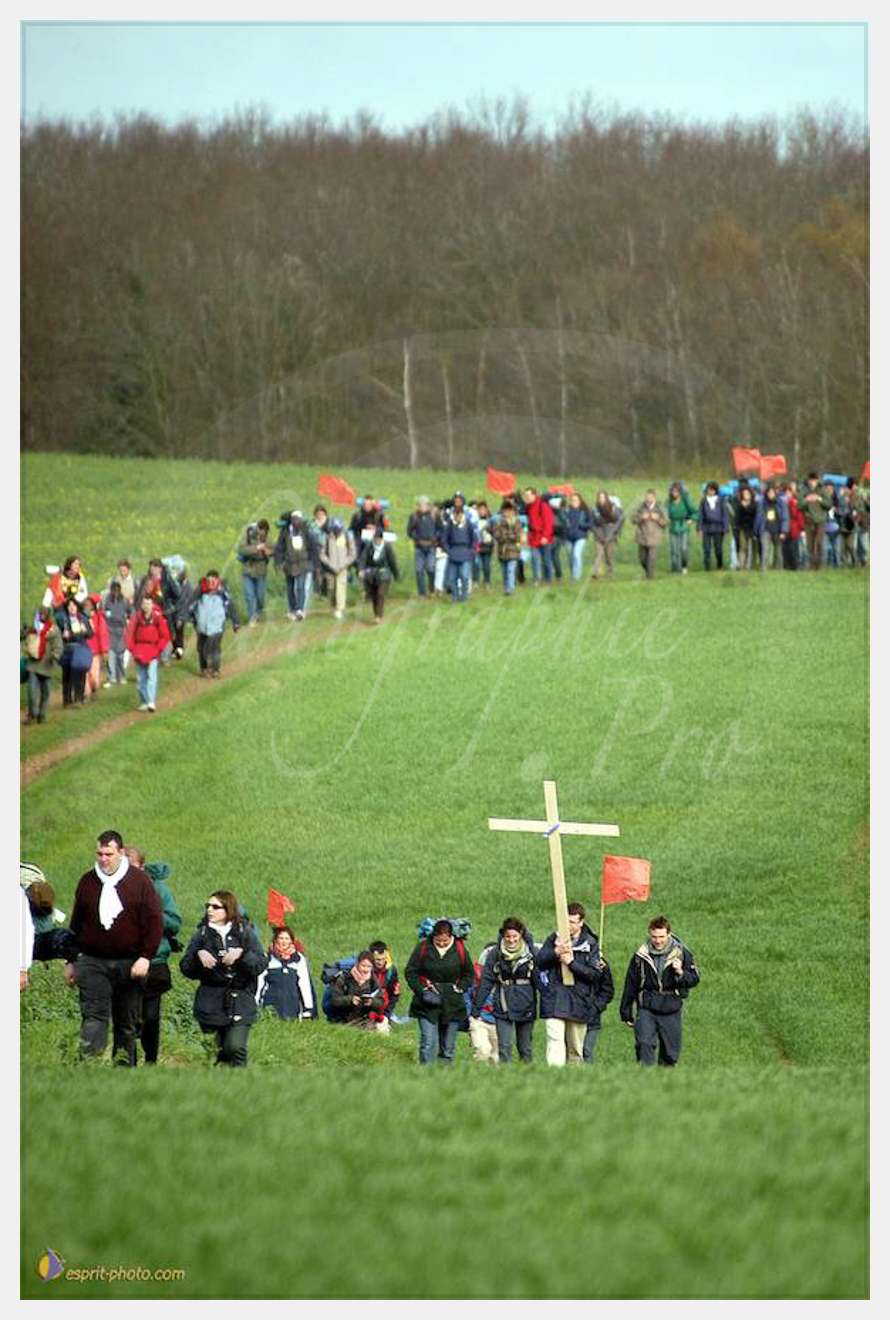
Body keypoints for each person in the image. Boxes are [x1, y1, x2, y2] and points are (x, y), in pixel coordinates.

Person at [63, 830, 163, 1065]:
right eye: (99, 853)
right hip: (92, 960)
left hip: (129, 962)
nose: (103, 859)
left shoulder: (140, 882)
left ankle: (123, 1070)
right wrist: (70, 960)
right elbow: (76, 923)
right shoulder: (88, 881)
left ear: (120, 852)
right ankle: (89, 1066)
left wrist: (145, 957)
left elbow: (154, 921)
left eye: (108, 854)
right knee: (94, 1017)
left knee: (126, 1023)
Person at [180, 890, 268, 1066]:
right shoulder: (201, 934)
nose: (209, 910)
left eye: (215, 907)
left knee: (235, 1047)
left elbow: (260, 964)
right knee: (217, 1052)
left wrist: (242, 955)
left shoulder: (245, 933)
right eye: (208, 906)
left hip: (241, 1000)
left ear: (228, 909)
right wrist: (199, 956)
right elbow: (186, 969)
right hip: (210, 1002)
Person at [117, 848, 182, 1065]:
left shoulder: (158, 890)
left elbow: (175, 923)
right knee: (128, 1019)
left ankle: (152, 1061)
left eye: (131, 865)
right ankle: (129, 1063)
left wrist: (152, 914)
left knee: (151, 1018)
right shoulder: (111, 889)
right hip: (123, 961)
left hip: (154, 963)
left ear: (142, 867)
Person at [535, 903, 613, 1066]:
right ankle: (553, 1079)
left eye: (572, 922)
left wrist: (571, 963)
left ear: (581, 922)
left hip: (579, 1001)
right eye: (565, 921)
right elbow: (539, 962)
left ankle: (573, 1083)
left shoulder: (590, 944)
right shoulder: (554, 938)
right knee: (554, 1042)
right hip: (555, 1000)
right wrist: (555, 952)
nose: (567, 925)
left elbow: (594, 975)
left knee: (575, 1050)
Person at [619, 914, 700, 1067]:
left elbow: (694, 979)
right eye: (654, 936)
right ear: (650, 934)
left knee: (670, 1053)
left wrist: (680, 972)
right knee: (644, 1044)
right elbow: (631, 983)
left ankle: (664, 1083)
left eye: (662, 936)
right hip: (647, 1006)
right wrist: (626, 1012)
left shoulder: (682, 953)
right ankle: (646, 1080)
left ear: (668, 934)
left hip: (671, 1006)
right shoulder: (640, 955)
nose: (658, 941)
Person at [405, 919, 475, 1064]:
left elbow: (469, 974)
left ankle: (443, 1080)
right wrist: (421, 990)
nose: (442, 943)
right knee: (428, 1043)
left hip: (453, 1004)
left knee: (448, 1048)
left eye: (445, 940)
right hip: (426, 1003)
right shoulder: (423, 947)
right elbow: (410, 972)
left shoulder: (460, 948)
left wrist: (460, 988)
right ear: (433, 936)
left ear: (451, 936)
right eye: (438, 941)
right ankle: (426, 1077)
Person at [472, 917, 538, 1064]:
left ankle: (529, 1078)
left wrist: (548, 1005)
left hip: (526, 1003)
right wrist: (476, 1009)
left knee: (525, 1048)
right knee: (504, 1047)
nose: (511, 940)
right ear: (503, 936)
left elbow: (539, 980)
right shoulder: (495, 954)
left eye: (514, 936)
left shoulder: (532, 952)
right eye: (508, 936)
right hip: (503, 1004)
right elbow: (486, 982)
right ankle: (505, 1078)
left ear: (520, 935)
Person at [257, 926, 318, 1019]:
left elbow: (304, 983)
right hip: (270, 1005)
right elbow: (260, 982)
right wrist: (255, 1004)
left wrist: (309, 1008)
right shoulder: (267, 958)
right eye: (281, 938)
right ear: (275, 940)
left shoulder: (299, 959)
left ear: (291, 941)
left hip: (292, 1007)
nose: (284, 941)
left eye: (287, 938)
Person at [124, 594, 171, 712]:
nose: (146, 606)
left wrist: (158, 649)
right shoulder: (136, 618)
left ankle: (151, 701)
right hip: (139, 650)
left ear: (152, 605)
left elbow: (165, 636)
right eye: (144, 603)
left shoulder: (157, 618)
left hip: (153, 650)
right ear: (141, 605)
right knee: (141, 679)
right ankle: (144, 700)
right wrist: (132, 649)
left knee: (151, 676)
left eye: (149, 603)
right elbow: (130, 633)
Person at [190, 569, 240, 679]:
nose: (211, 584)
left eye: (213, 581)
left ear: (217, 580)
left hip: (217, 627)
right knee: (201, 648)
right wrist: (189, 618)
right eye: (209, 581)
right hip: (202, 626)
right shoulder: (199, 592)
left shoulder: (223, 593)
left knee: (214, 648)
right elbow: (191, 605)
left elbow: (231, 606)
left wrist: (235, 622)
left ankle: (215, 669)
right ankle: (204, 669)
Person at [328, 951, 389, 1030]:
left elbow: (381, 1001)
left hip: (365, 1020)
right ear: (357, 964)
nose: (366, 970)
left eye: (369, 966)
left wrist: (371, 1002)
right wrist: (350, 1000)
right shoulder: (344, 978)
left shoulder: (373, 980)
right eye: (363, 966)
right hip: (343, 1020)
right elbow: (334, 1000)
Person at [24, 607, 62, 723]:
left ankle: (42, 714)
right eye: (41, 613)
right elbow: (24, 639)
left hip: (46, 664)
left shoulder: (53, 630)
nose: (42, 615)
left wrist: (56, 655)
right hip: (33, 665)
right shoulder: (33, 628)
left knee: (45, 692)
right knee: (32, 692)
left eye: (45, 613)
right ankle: (32, 714)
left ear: (49, 615)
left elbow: (58, 645)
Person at [276, 510, 313, 621]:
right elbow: (280, 548)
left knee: (300, 587)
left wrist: (312, 562)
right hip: (289, 564)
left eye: (298, 519)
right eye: (294, 519)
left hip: (302, 563)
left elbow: (312, 546)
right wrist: (278, 562)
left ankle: (300, 609)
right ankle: (292, 609)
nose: (296, 521)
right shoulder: (285, 532)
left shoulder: (306, 531)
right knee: (290, 588)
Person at [357, 525, 399, 623]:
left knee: (380, 593)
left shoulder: (387, 548)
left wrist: (396, 574)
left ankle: (379, 616)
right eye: (375, 539)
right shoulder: (369, 546)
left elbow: (392, 561)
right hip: (372, 573)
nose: (377, 541)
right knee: (374, 594)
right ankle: (376, 613)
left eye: (379, 539)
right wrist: (360, 570)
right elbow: (363, 558)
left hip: (384, 573)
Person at [319, 518, 356, 621]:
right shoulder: (327, 538)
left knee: (341, 588)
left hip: (342, 567)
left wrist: (345, 563)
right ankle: (333, 607)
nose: (337, 531)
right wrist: (328, 563)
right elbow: (322, 553)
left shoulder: (347, 537)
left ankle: (340, 609)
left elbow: (353, 553)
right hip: (330, 568)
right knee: (332, 588)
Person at [440, 495, 476, 603]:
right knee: (452, 577)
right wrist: (448, 550)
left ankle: (464, 596)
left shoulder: (468, 524)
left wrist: (472, 550)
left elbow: (474, 539)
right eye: (456, 514)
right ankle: (455, 597)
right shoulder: (450, 525)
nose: (458, 516)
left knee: (464, 576)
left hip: (465, 552)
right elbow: (444, 539)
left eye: (460, 514)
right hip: (453, 553)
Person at [59, 597, 94, 706]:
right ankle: (67, 700)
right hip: (68, 650)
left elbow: (90, 633)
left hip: (80, 649)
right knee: (67, 675)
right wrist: (64, 636)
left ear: (77, 607)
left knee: (80, 673)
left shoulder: (83, 618)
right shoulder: (63, 620)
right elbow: (58, 635)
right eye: (69, 606)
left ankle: (79, 698)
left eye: (73, 606)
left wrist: (85, 631)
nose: (72, 608)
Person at [239, 520, 274, 625]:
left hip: (260, 570)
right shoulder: (246, 538)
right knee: (249, 595)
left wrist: (266, 551)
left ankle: (259, 612)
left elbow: (272, 550)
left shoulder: (266, 539)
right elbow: (241, 550)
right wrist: (256, 548)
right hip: (248, 570)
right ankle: (252, 617)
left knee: (260, 596)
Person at [407, 496, 439, 597]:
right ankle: (422, 592)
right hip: (419, 547)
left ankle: (431, 589)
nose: (423, 507)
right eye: (421, 505)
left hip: (431, 546)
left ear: (429, 506)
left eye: (425, 505)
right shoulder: (414, 517)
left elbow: (440, 529)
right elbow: (410, 531)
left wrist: (435, 538)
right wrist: (417, 539)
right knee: (419, 570)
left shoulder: (434, 515)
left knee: (431, 568)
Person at [631, 490, 667, 580]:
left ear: (654, 498)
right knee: (642, 558)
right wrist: (641, 517)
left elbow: (666, 522)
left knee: (652, 558)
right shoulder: (641, 507)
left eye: (650, 497)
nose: (648, 499)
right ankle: (648, 572)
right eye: (647, 497)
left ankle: (650, 577)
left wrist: (658, 518)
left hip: (654, 536)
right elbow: (633, 519)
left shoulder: (660, 507)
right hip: (642, 536)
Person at [522, 487, 556, 584]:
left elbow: (549, 522)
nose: (527, 497)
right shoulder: (528, 507)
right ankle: (536, 579)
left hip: (544, 537)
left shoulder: (543, 505)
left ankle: (548, 579)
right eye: (525, 496)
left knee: (546, 559)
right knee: (534, 558)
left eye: (528, 495)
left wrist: (545, 536)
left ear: (534, 495)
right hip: (533, 537)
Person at [43, 555, 88, 626]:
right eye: (75, 564)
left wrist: (73, 602)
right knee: (64, 622)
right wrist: (46, 607)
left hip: (75, 607)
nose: (78, 566)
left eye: (79, 565)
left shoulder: (80, 577)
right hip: (60, 608)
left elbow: (83, 593)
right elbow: (49, 594)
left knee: (84, 621)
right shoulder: (57, 578)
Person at [590, 490, 624, 579]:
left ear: (606, 498)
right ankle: (596, 573)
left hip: (610, 535)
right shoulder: (595, 509)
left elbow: (620, 520)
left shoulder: (613, 508)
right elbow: (592, 523)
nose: (601, 499)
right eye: (599, 497)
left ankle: (610, 572)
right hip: (599, 535)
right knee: (598, 554)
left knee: (609, 556)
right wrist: (595, 532)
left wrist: (615, 532)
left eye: (602, 497)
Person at [102, 580, 131, 685]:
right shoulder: (107, 600)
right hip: (110, 628)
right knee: (111, 655)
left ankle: (121, 676)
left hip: (121, 629)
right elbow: (103, 611)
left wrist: (127, 621)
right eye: (113, 590)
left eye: (117, 590)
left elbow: (129, 612)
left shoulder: (124, 601)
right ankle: (111, 677)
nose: (115, 592)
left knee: (120, 655)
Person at [666, 481, 698, 575]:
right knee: (674, 549)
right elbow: (664, 513)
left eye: (676, 491)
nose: (674, 493)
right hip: (673, 527)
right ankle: (675, 568)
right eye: (673, 491)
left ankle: (684, 566)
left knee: (683, 548)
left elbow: (696, 512)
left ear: (680, 492)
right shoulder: (669, 503)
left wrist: (691, 520)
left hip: (683, 527)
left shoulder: (686, 502)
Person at [492, 499, 523, 595]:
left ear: (513, 511)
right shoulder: (498, 523)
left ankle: (510, 588)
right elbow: (497, 535)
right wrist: (508, 536)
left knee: (510, 570)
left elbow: (518, 536)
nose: (507, 513)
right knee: (504, 572)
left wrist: (506, 536)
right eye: (505, 511)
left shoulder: (517, 522)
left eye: (510, 511)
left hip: (513, 551)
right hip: (502, 551)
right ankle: (506, 588)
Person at [698, 482, 730, 570]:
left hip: (718, 527)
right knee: (706, 549)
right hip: (706, 527)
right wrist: (699, 528)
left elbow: (725, 515)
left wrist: (725, 527)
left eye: (712, 490)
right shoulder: (703, 501)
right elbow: (700, 515)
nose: (710, 491)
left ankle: (720, 566)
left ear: (715, 491)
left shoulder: (721, 500)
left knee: (718, 549)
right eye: (709, 490)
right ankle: (707, 567)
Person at [755, 484, 786, 570]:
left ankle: (779, 568)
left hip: (778, 530)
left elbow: (785, 517)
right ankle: (764, 568)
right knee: (765, 550)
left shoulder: (781, 503)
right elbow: (758, 518)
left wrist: (783, 531)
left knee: (778, 551)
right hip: (765, 529)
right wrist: (756, 531)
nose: (771, 494)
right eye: (769, 492)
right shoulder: (762, 503)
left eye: (772, 492)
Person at [84, 595, 110, 697]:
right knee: (85, 673)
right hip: (85, 650)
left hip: (95, 652)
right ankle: (86, 693)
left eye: (89, 604)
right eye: (85, 604)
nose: (86, 606)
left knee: (94, 675)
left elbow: (103, 635)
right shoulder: (82, 617)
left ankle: (94, 688)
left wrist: (104, 650)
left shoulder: (99, 618)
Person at [368, 940, 401, 1020]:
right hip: (366, 1011)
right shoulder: (365, 969)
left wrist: (387, 1015)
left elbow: (394, 994)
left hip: (383, 1012)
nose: (381, 962)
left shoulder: (391, 971)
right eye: (378, 960)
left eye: (383, 959)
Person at [561, 492, 591, 582]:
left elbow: (590, 524)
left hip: (580, 537)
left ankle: (575, 577)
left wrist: (582, 525)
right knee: (571, 557)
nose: (574, 502)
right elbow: (562, 523)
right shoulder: (566, 511)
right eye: (572, 500)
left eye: (576, 500)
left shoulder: (585, 512)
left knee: (576, 555)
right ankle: (573, 574)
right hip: (568, 538)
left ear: (580, 501)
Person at [734, 485, 759, 570]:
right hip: (742, 529)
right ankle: (741, 565)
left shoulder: (755, 505)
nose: (746, 495)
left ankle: (753, 565)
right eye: (744, 494)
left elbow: (757, 517)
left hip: (753, 528)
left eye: (748, 493)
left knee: (753, 548)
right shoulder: (739, 505)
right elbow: (737, 518)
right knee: (743, 547)